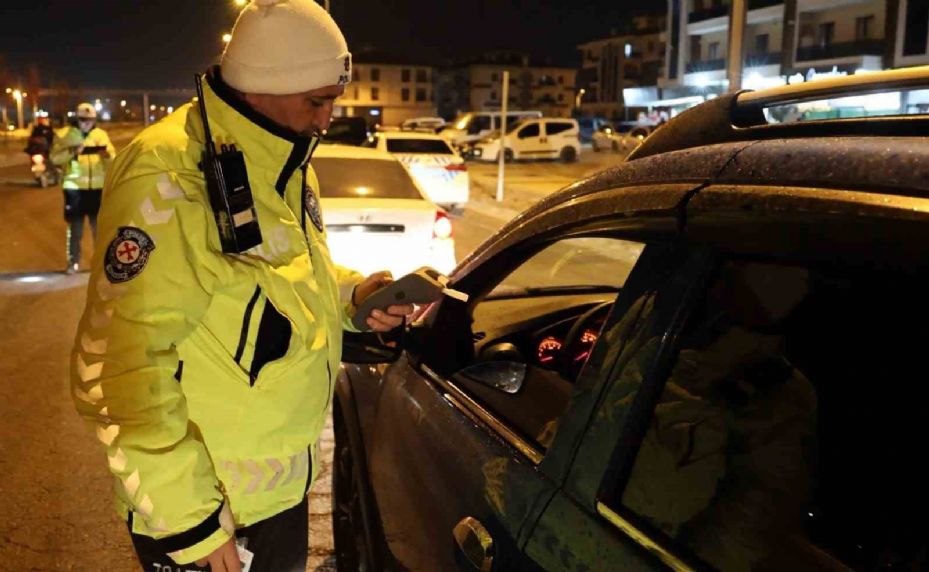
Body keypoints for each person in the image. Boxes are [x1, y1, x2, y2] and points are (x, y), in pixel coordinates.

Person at [70, 1, 412, 571]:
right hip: (209, 514)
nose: (326, 119)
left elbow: (284, 276)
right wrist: (192, 523)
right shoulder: (170, 176)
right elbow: (114, 368)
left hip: (276, 496)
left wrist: (353, 297)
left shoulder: (281, 154)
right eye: (317, 102)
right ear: (265, 86)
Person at [50, 102, 116, 273]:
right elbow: (55, 158)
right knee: (75, 229)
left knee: (100, 229)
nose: (87, 123)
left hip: (97, 189)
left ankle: (102, 264)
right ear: (77, 119)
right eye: (84, 120)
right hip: (74, 189)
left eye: (91, 120)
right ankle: (73, 263)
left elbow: (113, 161)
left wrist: (106, 156)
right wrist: (72, 152)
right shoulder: (65, 135)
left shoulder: (101, 135)